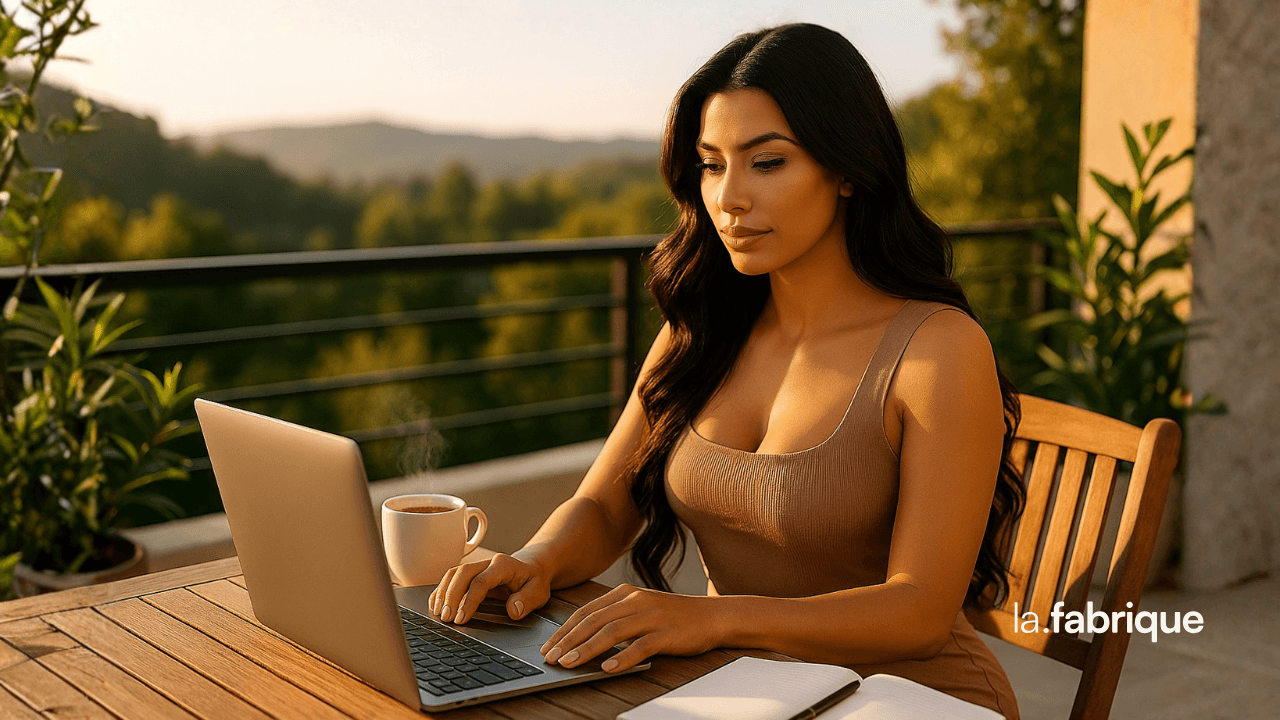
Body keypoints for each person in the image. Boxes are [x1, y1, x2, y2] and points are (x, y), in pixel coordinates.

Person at [429, 22, 1024, 719]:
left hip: (910, 699)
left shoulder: (936, 349)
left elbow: (919, 611)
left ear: (848, 171)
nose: (729, 198)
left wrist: (713, 619)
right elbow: (603, 505)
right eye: (712, 164)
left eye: (766, 162)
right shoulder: (700, 330)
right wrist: (535, 560)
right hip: (743, 691)